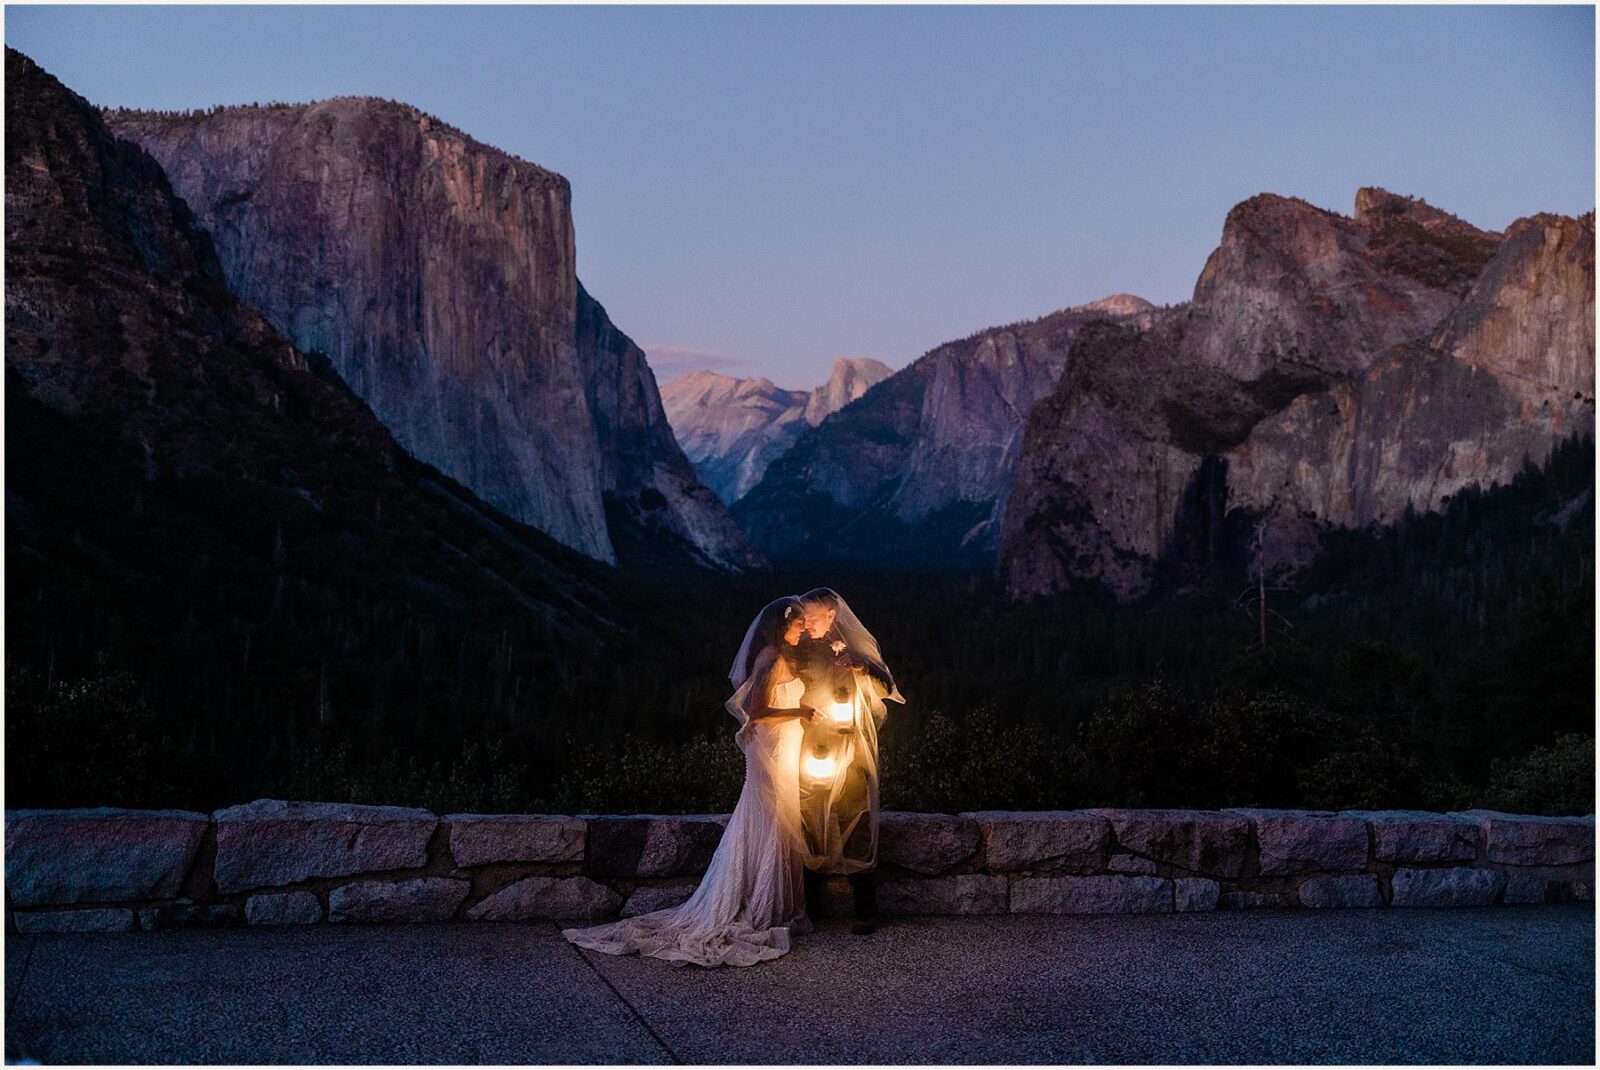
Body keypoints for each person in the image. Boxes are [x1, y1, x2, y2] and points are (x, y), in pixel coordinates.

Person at [561, 596, 820, 967]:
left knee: (773, 820)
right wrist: (800, 710)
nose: (801, 633)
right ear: (783, 626)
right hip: (770, 753)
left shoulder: (777, 658)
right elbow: (759, 711)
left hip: (781, 750)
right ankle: (756, 904)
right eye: (797, 627)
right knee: (770, 818)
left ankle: (770, 902)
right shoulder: (772, 659)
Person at [791, 587, 904, 934]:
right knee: (811, 823)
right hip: (811, 749)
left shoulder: (855, 650)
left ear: (831, 615)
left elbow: (887, 686)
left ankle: (865, 909)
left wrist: (863, 665)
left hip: (851, 751)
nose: (806, 623)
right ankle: (812, 907)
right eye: (803, 616)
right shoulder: (799, 650)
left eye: (811, 616)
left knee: (856, 818)